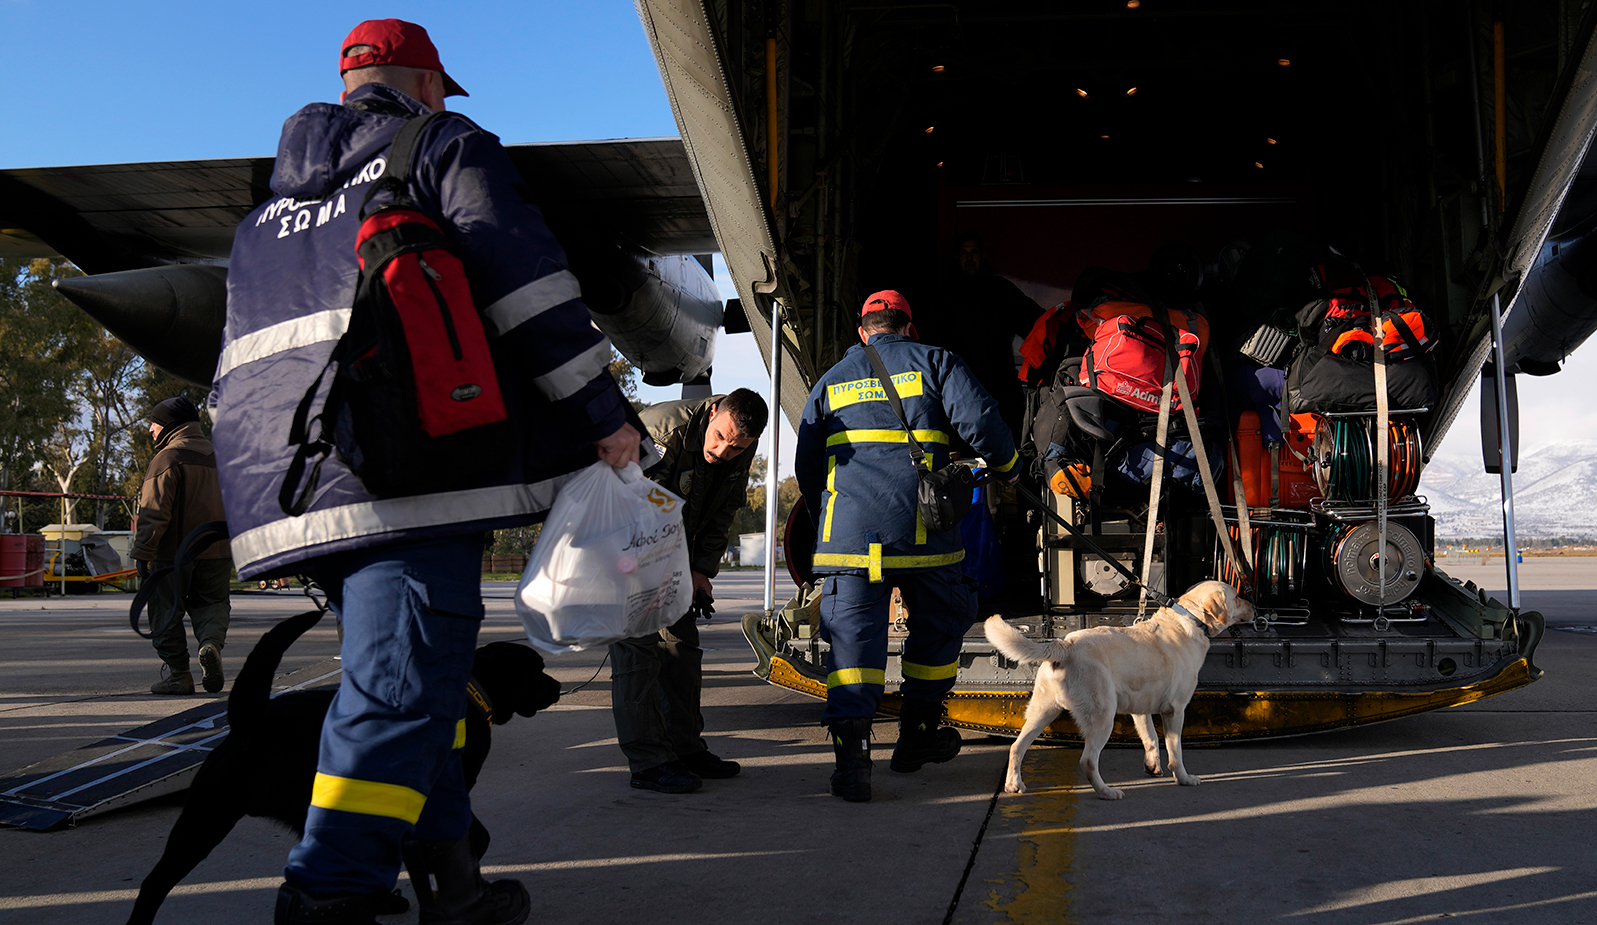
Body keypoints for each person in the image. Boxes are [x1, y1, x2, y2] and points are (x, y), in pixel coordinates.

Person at [213, 20, 649, 924]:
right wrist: (606, 419)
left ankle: (455, 880)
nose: (440, 104)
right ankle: (328, 894)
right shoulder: (442, 146)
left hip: (286, 484)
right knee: (400, 694)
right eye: (439, 90)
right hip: (401, 479)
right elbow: (526, 289)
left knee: (428, 687)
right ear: (420, 82)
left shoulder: (271, 213)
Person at [793, 290, 1019, 803]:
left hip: (850, 543)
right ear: (909, 327)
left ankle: (852, 766)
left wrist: (830, 521)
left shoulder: (828, 382)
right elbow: (982, 423)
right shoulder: (936, 361)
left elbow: (808, 467)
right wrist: (1007, 468)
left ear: (862, 332)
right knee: (938, 630)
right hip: (924, 537)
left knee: (852, 649)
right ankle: (916, 738)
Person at [610, 388, 768, 793]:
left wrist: (700, 570)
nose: (723, 451)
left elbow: (724, 508)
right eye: (719, 438)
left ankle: (685, 749)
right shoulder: (664, 432)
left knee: (681, 649)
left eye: (737, 448)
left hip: (673, 557)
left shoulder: (739, 442)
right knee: (638, 654)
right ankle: (648, 762)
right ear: (714, 411)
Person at [131, 397, 232, 695]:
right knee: (212, 605)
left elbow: (153, 512)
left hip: (173, 554)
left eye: (154, 422)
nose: (150, 429)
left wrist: (143, 552)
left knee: (165, 612)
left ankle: (179, 675)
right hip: (218, 550)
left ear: (170, 425)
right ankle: (210, 645)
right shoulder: (221, 456)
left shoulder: (168, 458)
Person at [928, 233, 1045, 433]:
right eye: (964, 253)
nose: (969, 258)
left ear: (983, 256)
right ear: (957, 257)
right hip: (958, 386)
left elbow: (1036, 323)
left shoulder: (1001, 291)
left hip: (1000, 385)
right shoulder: (944, 296)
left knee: (1008, 444)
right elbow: (930, 341)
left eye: (973, 252)